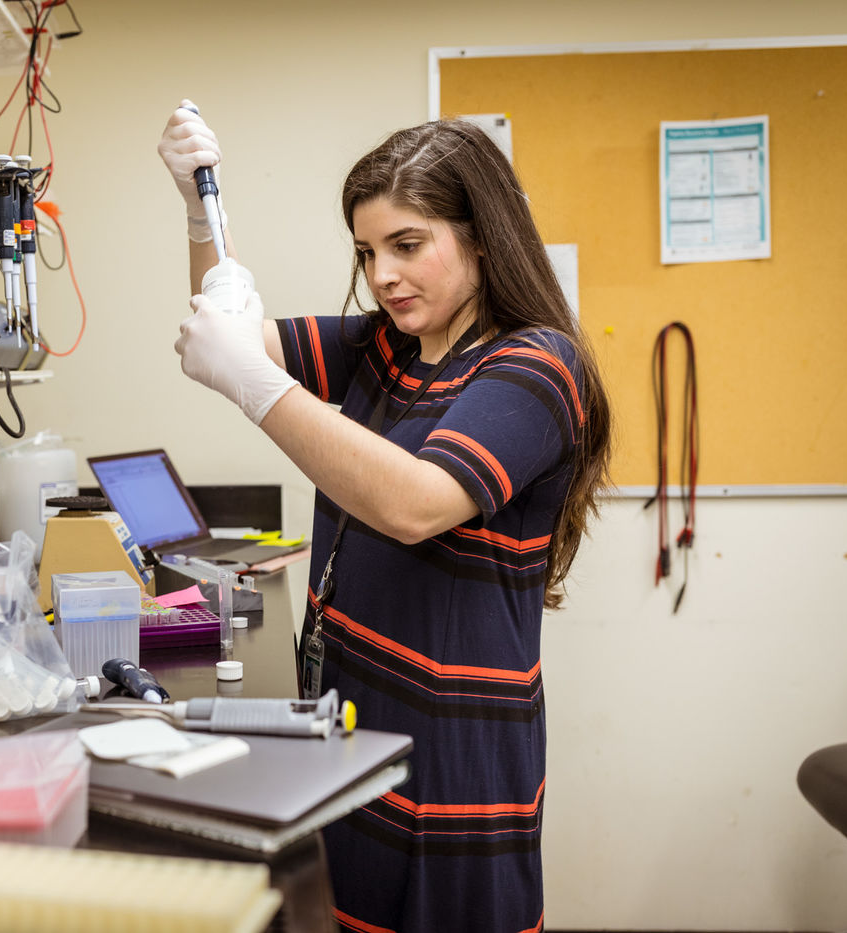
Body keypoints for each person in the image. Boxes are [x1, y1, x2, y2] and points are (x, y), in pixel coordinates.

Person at [158, 101, 612, 933]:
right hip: (355, 719)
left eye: (407, 245)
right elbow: (232, 335)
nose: (383, 275)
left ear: (480, 236)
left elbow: (414, 503)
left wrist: (258, 389)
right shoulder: (387, 347)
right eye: (368, 253)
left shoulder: (536, 365)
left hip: (449, 750)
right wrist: (200, 210)